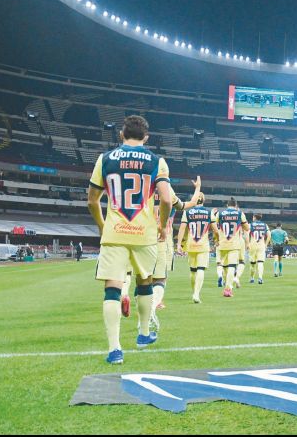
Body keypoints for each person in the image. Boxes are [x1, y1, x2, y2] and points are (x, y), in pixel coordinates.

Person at [87, 115, 172, 365]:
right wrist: (162, 226)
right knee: (145, 282)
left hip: (115, 231)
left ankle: (115, 350)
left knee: (112, 288)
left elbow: (92, 200)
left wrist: (104, 226)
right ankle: (143, 335)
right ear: (146, 137)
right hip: (144, 233)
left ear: (121, 135)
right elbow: (166, 200)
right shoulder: (158, 161)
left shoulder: (105, 159)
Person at [152, 176, 202, 312]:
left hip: (145, 236)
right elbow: (190, 204)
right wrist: (197, 188)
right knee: (162, 275)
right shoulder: (168, 191)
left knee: (145, 274)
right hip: (163, 237)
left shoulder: (144, 191)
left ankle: (138, 297)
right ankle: (157, 301)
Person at [177, 190, 211, 304]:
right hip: (203, 245)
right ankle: (196, 294)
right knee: (201, 269)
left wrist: (178, 244)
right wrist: (217, 237)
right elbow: (215, 229)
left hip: (191, 244)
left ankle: (194, 292)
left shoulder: (187, 212)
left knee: (192, 270)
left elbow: (182, 228)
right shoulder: (209, 212)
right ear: (204, 200)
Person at [211, 198, 249, 297]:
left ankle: (225, 282)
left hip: (222, 243)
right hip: (234, 244)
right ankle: (228, 289)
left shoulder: (220, 214)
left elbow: (213, 226)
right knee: (232, 267)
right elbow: (247, 228)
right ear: (235, 205)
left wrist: (216, 238)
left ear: (227, 205)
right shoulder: (240, 214)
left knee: (224, 267)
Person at [248, 214, 269, 284]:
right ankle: (260, 278)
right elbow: (269, 235)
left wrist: (247, 243)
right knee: (260, 262)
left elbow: (247, 234)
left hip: (252, 245)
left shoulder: (250, 225)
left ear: (254, 217)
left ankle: (252, 278)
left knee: (252, 263)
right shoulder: (265, 225)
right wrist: (266, 244)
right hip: (261, 245)